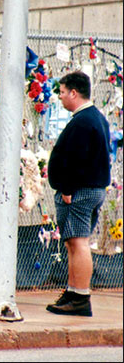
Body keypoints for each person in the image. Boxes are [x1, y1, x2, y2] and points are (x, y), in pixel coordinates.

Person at [46, 71, 111, 317]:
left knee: (78, 241)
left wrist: (67, 188)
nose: (60, 97)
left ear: (74, 93)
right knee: (73, 242)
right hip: (88, 188)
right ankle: (73, 291)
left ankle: (81, 296)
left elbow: (78, 160)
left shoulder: (84, 121)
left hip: (80, 191)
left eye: (62, 92)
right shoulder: (94, 118)